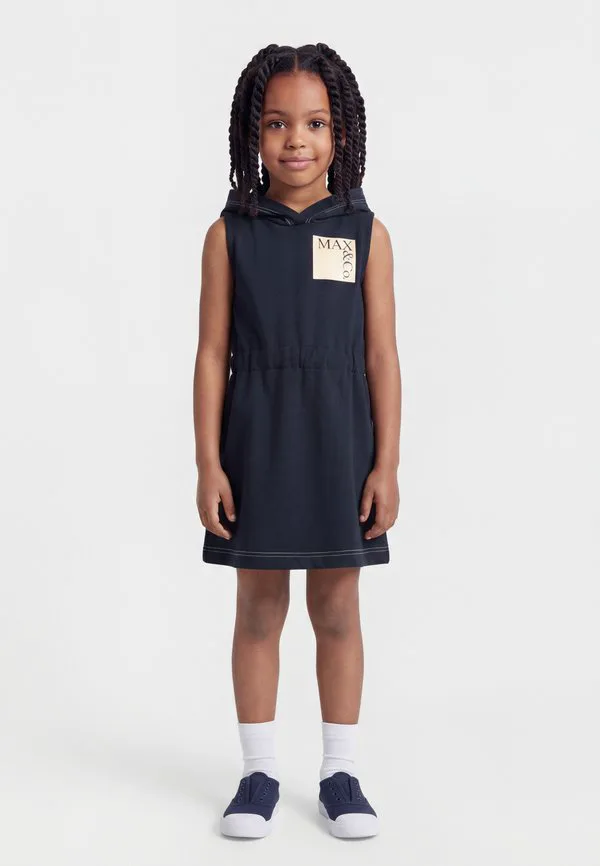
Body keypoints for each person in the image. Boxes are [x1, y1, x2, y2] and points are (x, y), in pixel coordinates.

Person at [193, 42, 401, 839]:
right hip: (257, 442)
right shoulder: (229, 235)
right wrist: (208, 462)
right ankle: (257, 774)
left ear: (340, 132)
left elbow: (381, 356)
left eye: (314, 123)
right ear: (253, 133)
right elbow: (212, 354)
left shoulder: (366, 233)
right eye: (277, 123)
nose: (296, 141)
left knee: (338, 607)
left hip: (340, 444)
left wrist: (386, 462)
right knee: (258, 607)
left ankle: (340, 772)